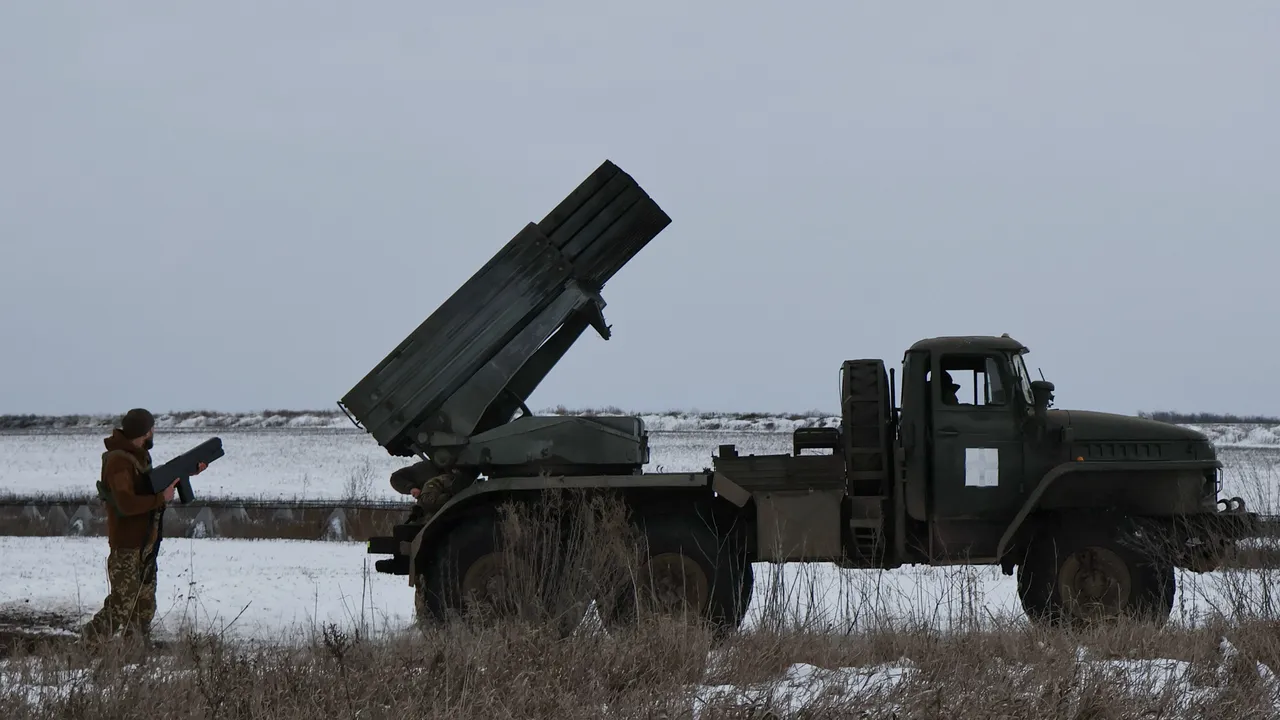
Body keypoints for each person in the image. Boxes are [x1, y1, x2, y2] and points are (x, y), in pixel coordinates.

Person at [80, 408, 206, 646]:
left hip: (145, 543)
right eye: (152, 428)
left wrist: (186, 473)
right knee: (122, 604)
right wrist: (162, 498)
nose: (153, 432)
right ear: (145, 432)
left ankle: (134, 653)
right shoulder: (118, 461)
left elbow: (147, 488)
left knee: (144, 604)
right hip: (127, 545)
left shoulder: (139, 456)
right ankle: (87, 643)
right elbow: (126, 504)